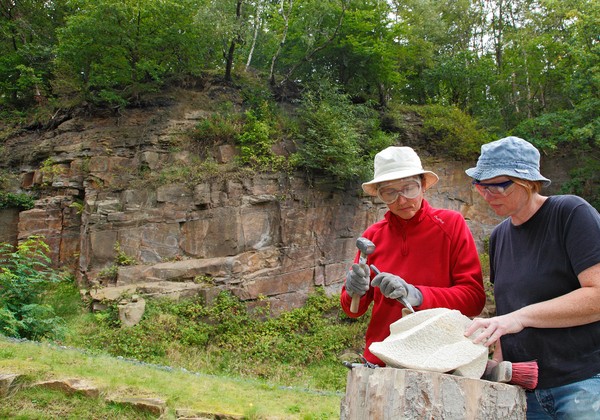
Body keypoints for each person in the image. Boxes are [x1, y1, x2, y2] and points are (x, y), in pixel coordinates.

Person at [463, 136, 600, 419]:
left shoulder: (571, 213)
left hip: (582, 385)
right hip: (523, 391)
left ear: (528, 182)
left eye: (499, 185)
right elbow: (505, 310)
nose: (488, 195)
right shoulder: (499, 236)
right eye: (480, 186)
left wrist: (520, 318)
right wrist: (496, 366)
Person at [340, 146, 486, 366]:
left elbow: (474, 300)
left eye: (410, 188)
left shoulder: (451, 225)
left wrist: (416, 295)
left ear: (424, 186)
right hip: (381, 359)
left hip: (437, 363)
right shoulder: (373, 236)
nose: (401, 200)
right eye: (389, 192)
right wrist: (352, 291)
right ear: (379, 194)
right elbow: (353, 310)